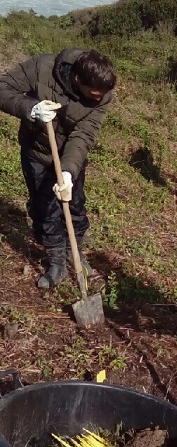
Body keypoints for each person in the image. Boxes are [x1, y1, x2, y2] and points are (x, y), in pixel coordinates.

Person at [0, 47, 117, 289]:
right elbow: (2, 88)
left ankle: (76, 254)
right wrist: (31, 107)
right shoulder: (42, 68)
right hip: (37, 152)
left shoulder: (102, 95)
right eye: (93, 94)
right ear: (77, 79)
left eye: (101, 96)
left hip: (70, 157)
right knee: (45, 208)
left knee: (74, 205)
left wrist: (67, 172)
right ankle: (56, 263)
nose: (98, 99)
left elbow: (84, 134)